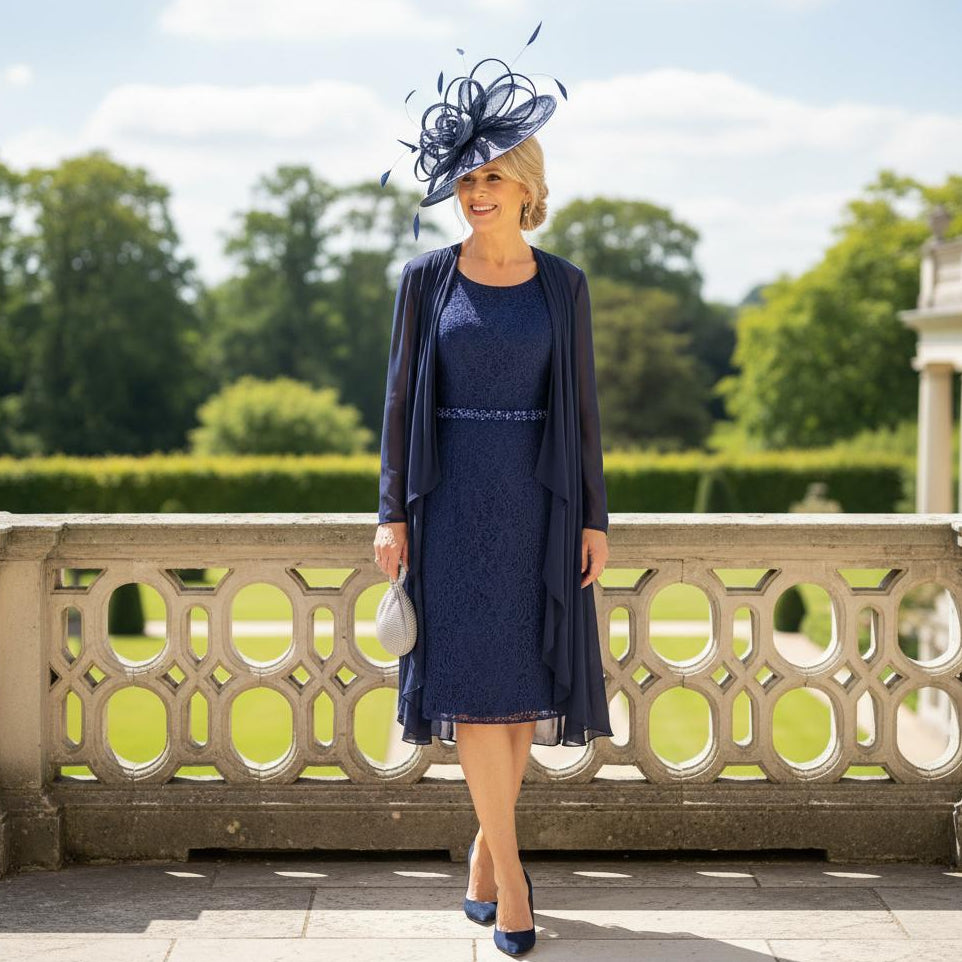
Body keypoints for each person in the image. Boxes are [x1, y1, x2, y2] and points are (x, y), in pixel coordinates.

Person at [373, 23, 612, 956]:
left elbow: (586, 414)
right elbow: (397, 404)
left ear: (528, 188)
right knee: (473, 693)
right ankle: (514, 884)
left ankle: (483, 853)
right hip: (451, 505)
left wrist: (594, 518)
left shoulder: (566, 288)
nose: (477, 196)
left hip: (539, 506)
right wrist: (390, 510)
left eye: (494, 179)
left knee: (519, 692)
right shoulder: (424, 282)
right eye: (468, 181)